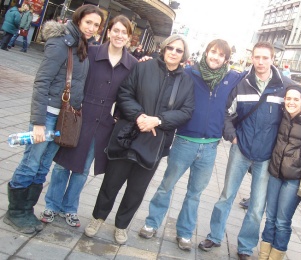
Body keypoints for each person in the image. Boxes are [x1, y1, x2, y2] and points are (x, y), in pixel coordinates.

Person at [84, 34, 195, 245]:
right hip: (129, 134)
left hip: (155, 142)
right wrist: (139, 116)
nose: (173, 52)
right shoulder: (143, 67)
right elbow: (124, 93)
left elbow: (186, 111)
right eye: (170, 47)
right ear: (163, 48)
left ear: (184, 55)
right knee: (111, 182)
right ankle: (98, 218)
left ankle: (121, 226)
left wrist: (158, 120)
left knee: (136, 190)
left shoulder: (186, 81)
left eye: (178, 50)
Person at [3, 5, 104, 234]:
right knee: (30, 163)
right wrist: (38, 122)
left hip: (63, 120)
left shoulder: (82, 45)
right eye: (88, 22)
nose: (91, 28)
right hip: (48, 115)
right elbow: (42, 82)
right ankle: (15, 212)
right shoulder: (61, 43)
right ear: (78, 19)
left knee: (44, 166)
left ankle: (27, 210)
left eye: (96, 25)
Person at [138, 39, 245, 250]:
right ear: (206, 53)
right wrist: (146, 60)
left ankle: (185, 233)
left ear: (226, 59)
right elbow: (165, 68)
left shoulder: (231, 78)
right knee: (166, 185)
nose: (215, 57)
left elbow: (260, 77)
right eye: (212, 52)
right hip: (185, 141)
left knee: (195, 194)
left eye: (220, 55)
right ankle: (152, 223)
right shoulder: (189, 73)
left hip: (210, 147)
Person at [198, 41, 295, 260]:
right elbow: (226, 111)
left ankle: (245, 247)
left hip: (266, 156)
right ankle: (214, 236)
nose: (260, 62)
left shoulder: (285, 86)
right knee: (226, 196)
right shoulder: (242, 82)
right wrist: (231, 135)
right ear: (252, 58)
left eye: (265, 58)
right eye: (257, 57)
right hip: (240, 149)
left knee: (257, 206)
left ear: (273, 59)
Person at [39, 15, 137, 228]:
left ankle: (70, 208)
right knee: (63, 162)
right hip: (78, 114)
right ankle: (52, 205)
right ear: (108, 32)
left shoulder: (133, 65)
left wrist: (118, 118)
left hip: (103, 123)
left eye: (124, 32)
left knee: (82, 168)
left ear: (129, 37)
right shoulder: (90, 53)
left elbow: (131, 94)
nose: (119, 35)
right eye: (116, 30)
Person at [259, 85, 301, 260]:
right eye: (288, 98)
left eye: (296, 99)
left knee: (282, 221)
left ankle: (276, 256)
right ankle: (263, 254)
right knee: (270, 218)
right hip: (275, 173)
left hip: (294, 179)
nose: (291, 102)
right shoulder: (282, 115)